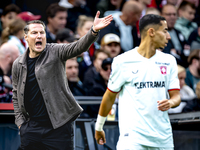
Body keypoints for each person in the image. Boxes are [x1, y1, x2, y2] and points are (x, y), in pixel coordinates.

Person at [12, 11, 113, 150]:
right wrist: (20, 123)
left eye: (42, 33)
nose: (39, 36)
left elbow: (78, 47)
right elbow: (16, 94)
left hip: (58, 127)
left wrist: (93, 31)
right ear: (26, 37)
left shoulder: (55, 50)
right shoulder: (18, 63)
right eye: (34, 33)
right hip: (31, 128)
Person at [95, 14, 181, 149]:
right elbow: (110, 96)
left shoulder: (169, 61)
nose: (168, 36)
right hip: (132, 140)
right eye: (164, 31)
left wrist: (170, 102)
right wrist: (99, 126)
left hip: (163, 139)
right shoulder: (122, 61)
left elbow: (176, 97)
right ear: (151, 32)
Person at [161, 4, 190, 68]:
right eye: (169, 14)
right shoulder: (159, 33)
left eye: (174, 14)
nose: (172, 17)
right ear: (161, 15)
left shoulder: (178, 32)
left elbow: (187, 49)